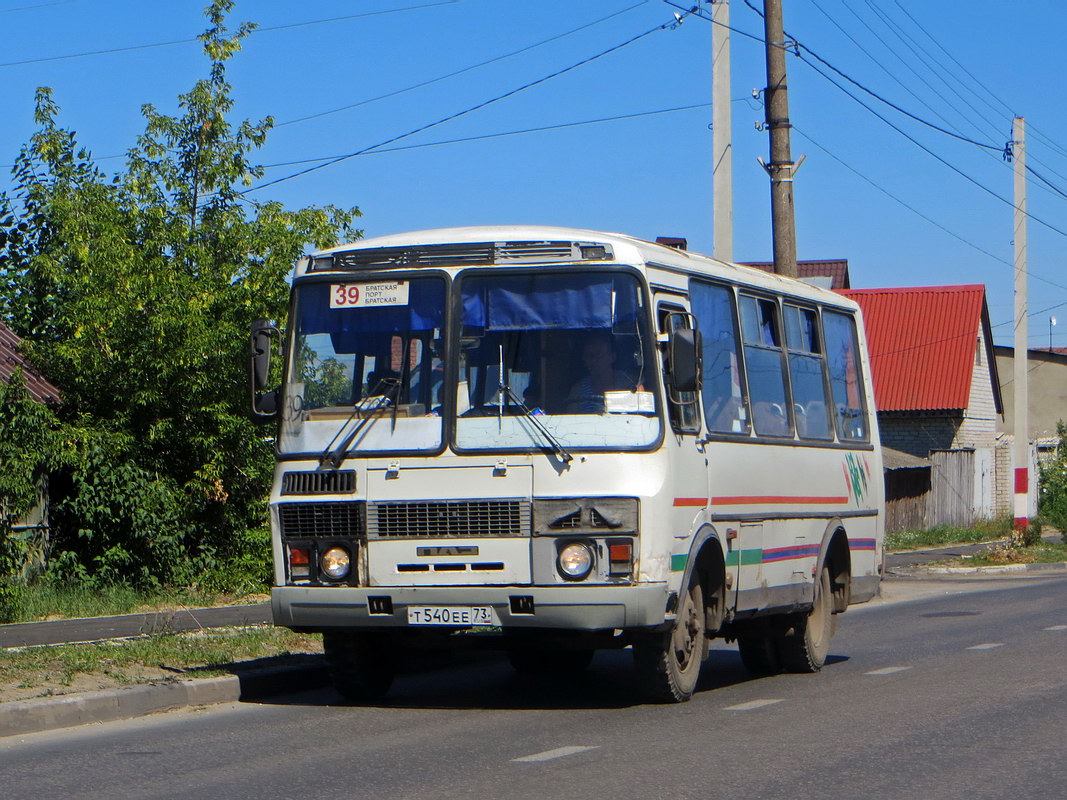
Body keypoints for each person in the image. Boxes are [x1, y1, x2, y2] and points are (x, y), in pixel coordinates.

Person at [565, 335, 637, 413]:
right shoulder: (578, 390)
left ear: (612, 357)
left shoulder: (630, 385)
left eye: (599, 355)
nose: (593, 360)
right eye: (589, 356)